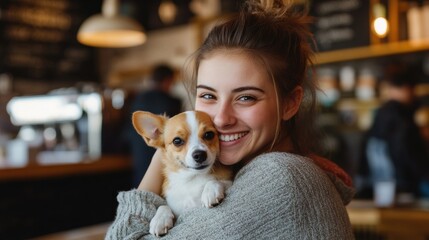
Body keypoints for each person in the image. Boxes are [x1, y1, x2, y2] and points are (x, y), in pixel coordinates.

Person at [107, 0, 355, 239]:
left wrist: (165, 150)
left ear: (290, 103)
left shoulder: (279, 179)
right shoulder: (246, 174)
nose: (221, 119)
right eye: (207, 95)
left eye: (246, 98)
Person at [360, 63, 429, 199]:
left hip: (380, 187)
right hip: (403, 188)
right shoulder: (400, 117)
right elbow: (406, 152)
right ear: (405, 88)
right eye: (411, 88)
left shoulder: (381, 114)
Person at [126, 64, 182, 187]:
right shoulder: (172, 101)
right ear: (169, 80)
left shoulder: (137, 99)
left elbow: (128, 131)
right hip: (165, 161)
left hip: (138, 155)